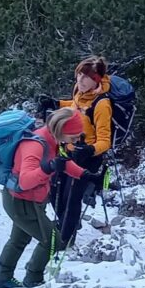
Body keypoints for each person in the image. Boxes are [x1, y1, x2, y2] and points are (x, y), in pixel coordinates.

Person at [0, 108, 100, 288]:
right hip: (21, 200)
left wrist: (86, 175)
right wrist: (48, 168)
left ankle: (3, 279)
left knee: (18, 240)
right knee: (53, 240)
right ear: (62, 130)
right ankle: (33, 279)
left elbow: (63, 163)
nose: (75, 141)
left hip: (29, 200)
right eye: (73, 137)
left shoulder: (53, 140)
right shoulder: (35, 145)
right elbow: (25, 180)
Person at [39, 55, 113, 243]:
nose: (80, 80)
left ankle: (65, 239)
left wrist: (89, 150)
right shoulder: (79, 92)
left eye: (86, 77)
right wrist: (57, 104)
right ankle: (67, 224)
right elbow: (75, 106)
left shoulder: (102, 104)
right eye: (79, 74)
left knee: (71, 198)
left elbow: (106, 141)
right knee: (54, 189)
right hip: (68, 151)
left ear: (95, 80)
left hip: (88, 157)